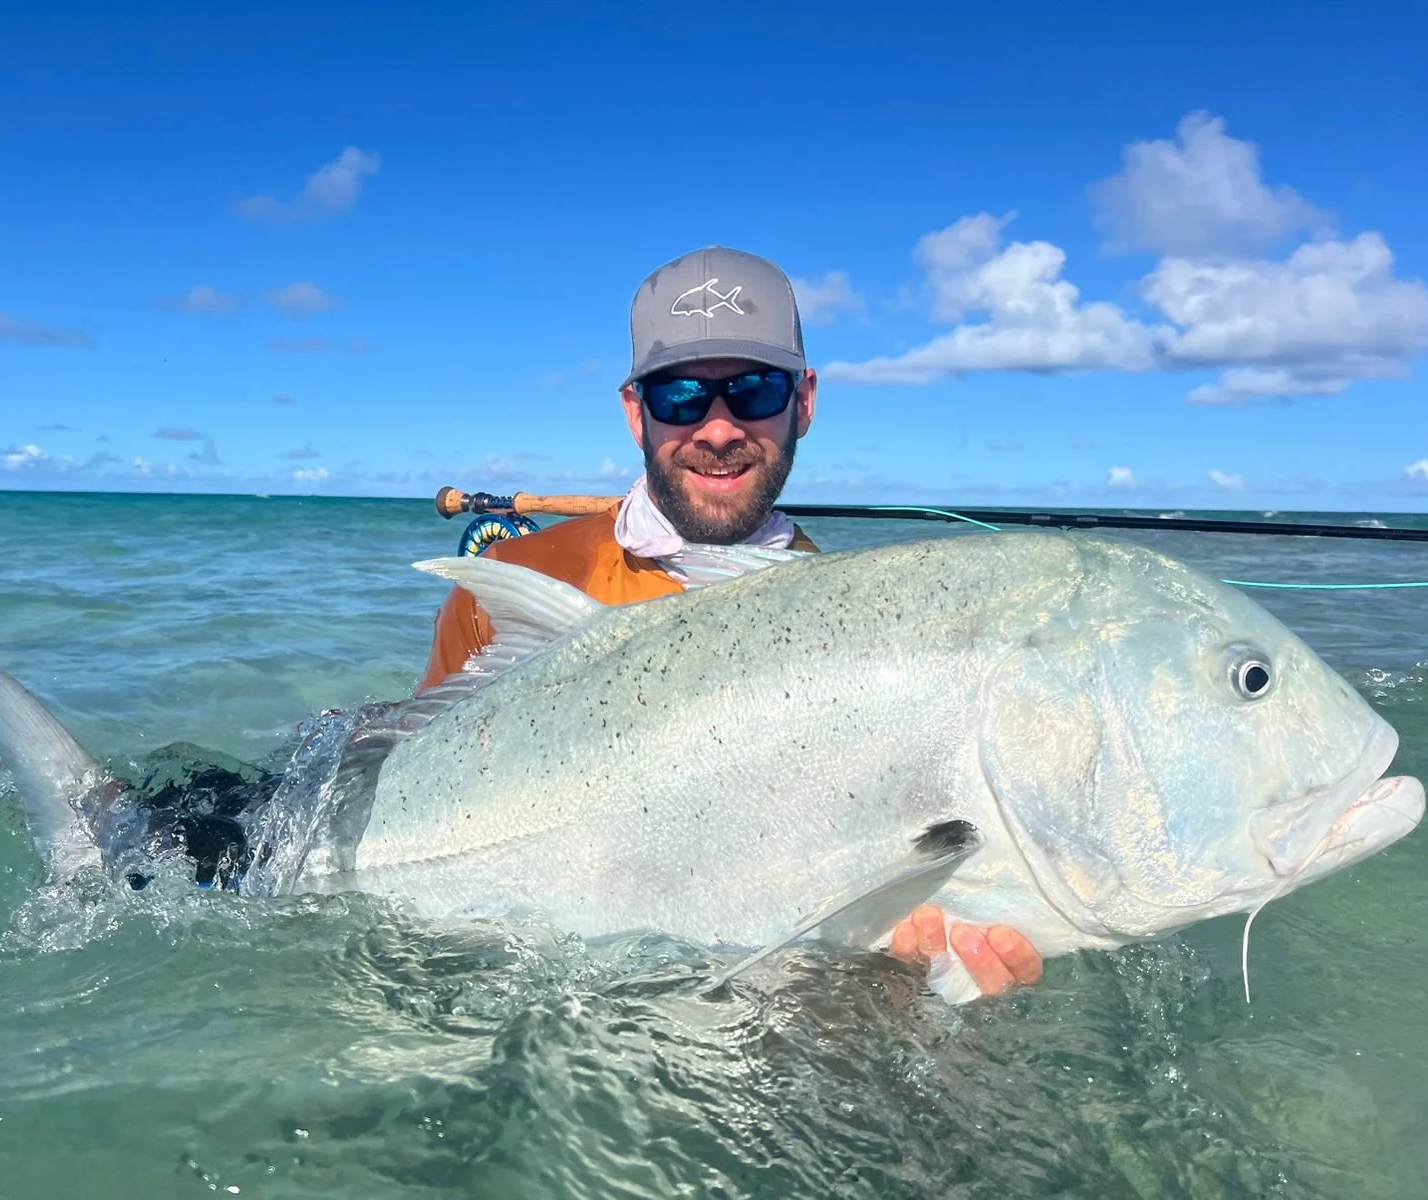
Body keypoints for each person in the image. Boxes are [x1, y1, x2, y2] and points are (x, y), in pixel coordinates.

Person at [418, 246, 1043, 998]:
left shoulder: (877, 641)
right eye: (680, 395)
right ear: (635, 411)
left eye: (753, 390)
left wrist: (901, 992)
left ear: (803, 402)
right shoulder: (513, 586)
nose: (717, 430)